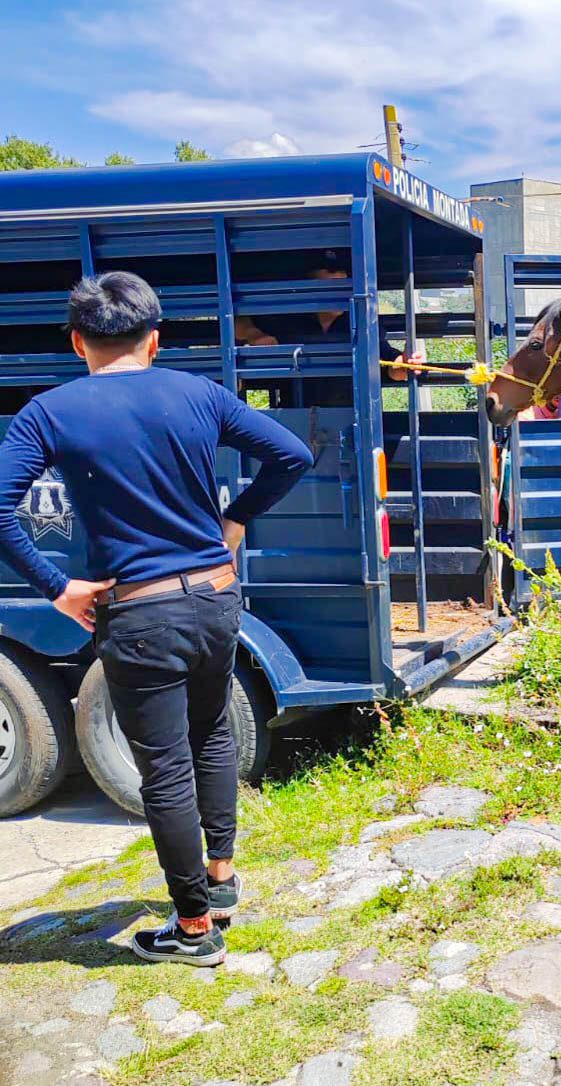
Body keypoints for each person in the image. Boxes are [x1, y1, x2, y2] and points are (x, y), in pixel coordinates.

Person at [0, 272, 314, 966]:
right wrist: (234, 519)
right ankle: (221, 879)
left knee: (166, 769)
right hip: (214, 600)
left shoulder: (50, 412)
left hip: (139, 611)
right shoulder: (198, 392)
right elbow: (292, 454)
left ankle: (194, 930)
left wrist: (58, 586)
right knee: (210, 740)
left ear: (78, 341)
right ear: (155, 338)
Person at [235, 248, 423, 402]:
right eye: (331, 272)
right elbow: (236, 321)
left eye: (345, 274)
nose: (341, 277)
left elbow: (390, 365)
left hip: (352, 423)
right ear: (310, 280)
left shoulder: (361, 321)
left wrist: (405, 364)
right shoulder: (288, 317)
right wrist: (254, 334)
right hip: (293, 421)